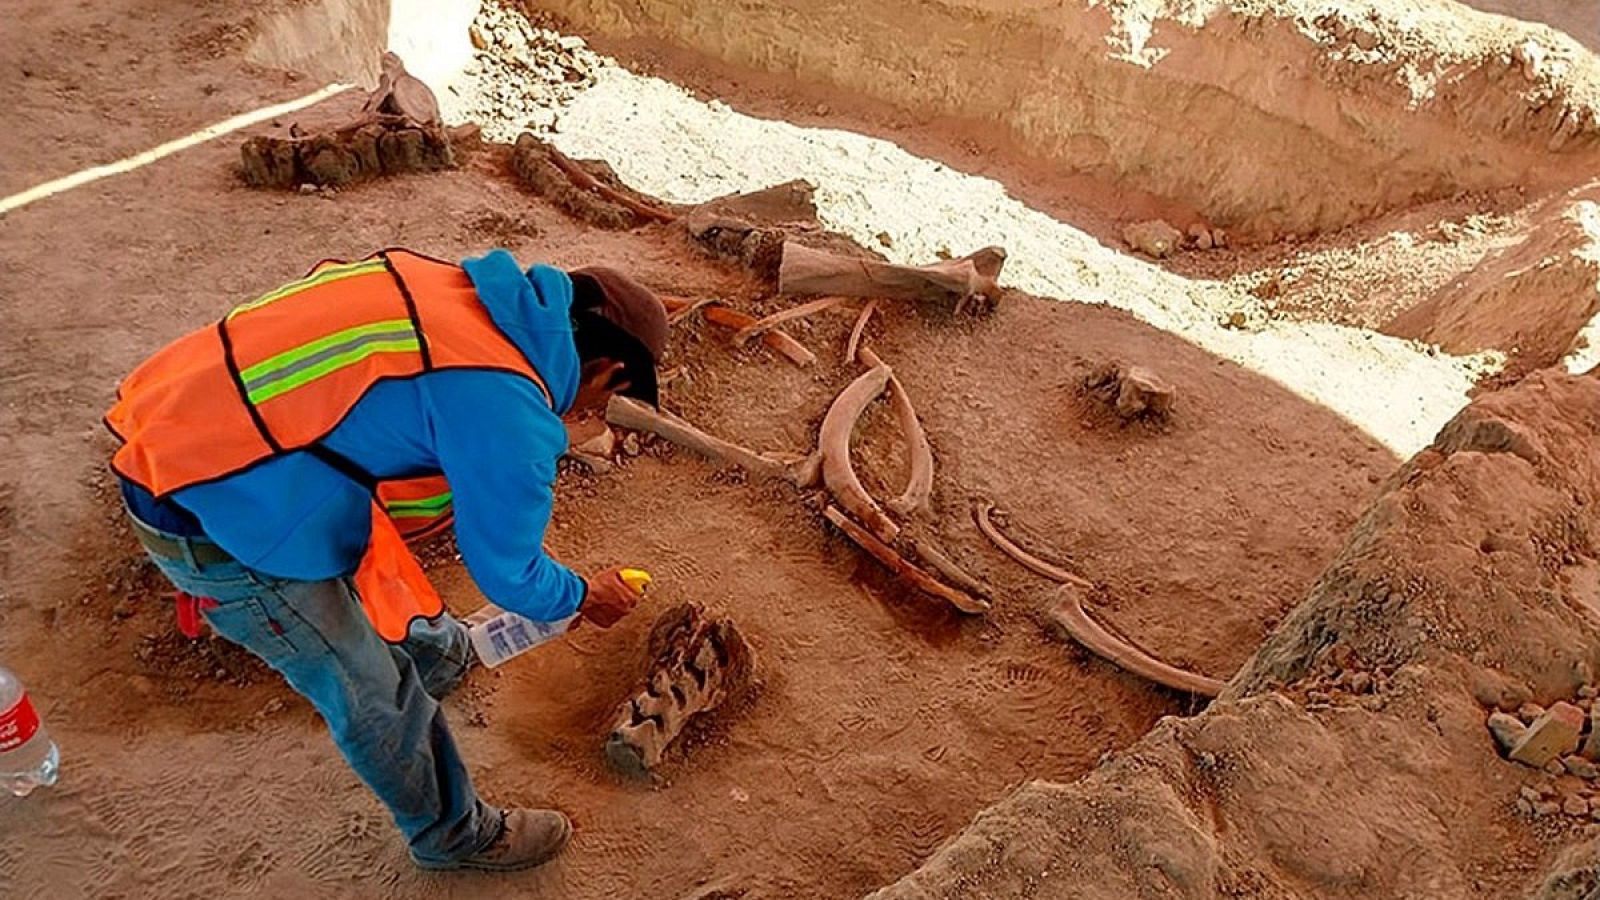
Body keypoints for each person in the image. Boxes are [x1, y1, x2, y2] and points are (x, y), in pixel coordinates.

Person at [104, 248, 668, 871]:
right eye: (601, 401)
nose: (586, 415)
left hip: (188, 423)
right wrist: (584, 596)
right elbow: (510, 575)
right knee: (371, 689)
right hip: (211, 514)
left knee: (378, 559)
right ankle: (454, 836)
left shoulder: (455, 291)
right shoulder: (507, 409)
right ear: (607, 368)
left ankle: (441, 655)